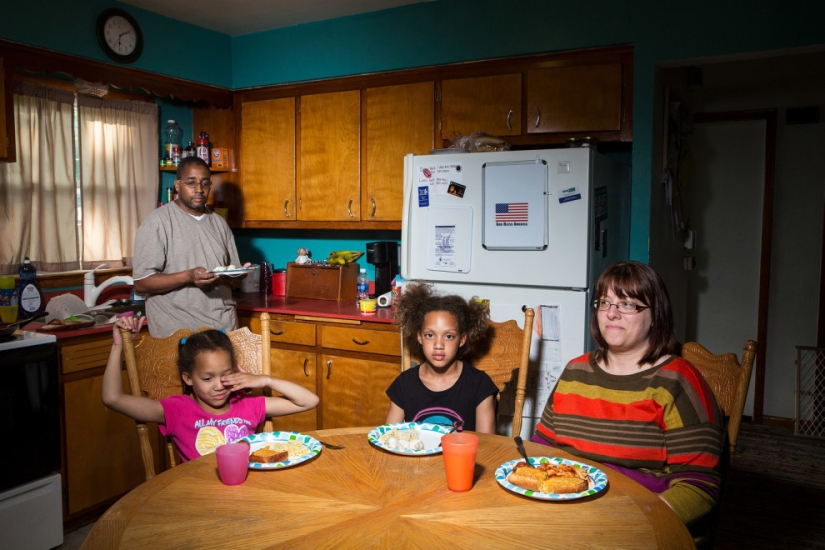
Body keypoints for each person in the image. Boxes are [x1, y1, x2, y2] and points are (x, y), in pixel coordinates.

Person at [532, 261, 724, 535]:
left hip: (640, 523)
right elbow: (542, 449)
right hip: (566, 514)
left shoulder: (678, 382)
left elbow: (699, 486)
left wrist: (636, 523)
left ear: (656, 314)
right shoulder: (575, 371)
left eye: (627, 304)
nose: (611, 314)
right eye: (604, 303)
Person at [102, 316, 319, 462]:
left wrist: (264, 380)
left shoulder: (247, 405)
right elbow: (112, 398)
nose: (218, 386)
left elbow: (309, 401)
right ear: (188, 378)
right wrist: (117, 347)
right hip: (199, 499)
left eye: (225, 375)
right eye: (207, 378)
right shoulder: (177, 411)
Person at [132, 156, 249, 337]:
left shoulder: (219, 224)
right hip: (178, 333)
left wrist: (238, 275)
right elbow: (141, 283)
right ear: (178, 185)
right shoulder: (157, 222)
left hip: (223, 329)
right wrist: (188, 276)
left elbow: (230, 277)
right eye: (191, 183)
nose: (199, 190)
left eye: (205, 184)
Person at [385, 282, 498, 433]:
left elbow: (487, 445)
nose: (439, 344)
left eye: (449, 336)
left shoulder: (479, 385)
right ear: (419, 337)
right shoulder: (404, 384)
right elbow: (388, 437)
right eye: (430, 335)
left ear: (462, 339)